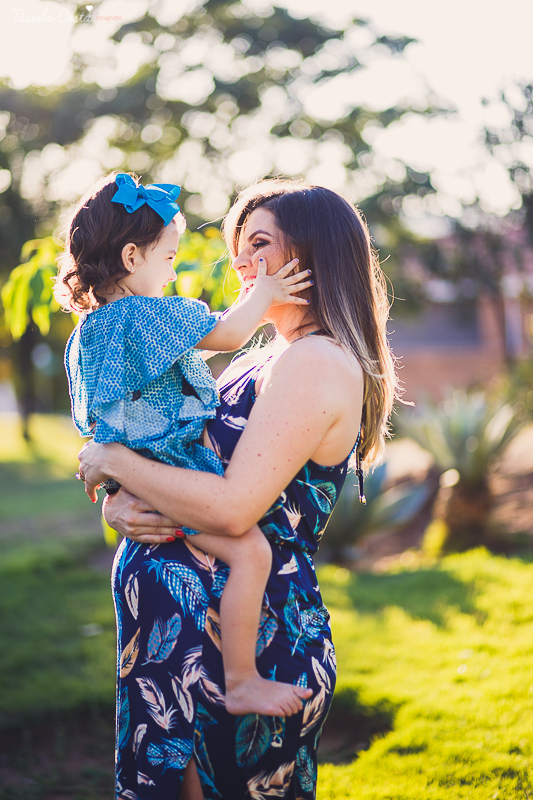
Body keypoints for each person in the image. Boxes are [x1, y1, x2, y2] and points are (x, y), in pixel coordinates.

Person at [78, 179, 398, 800]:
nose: (241, 262)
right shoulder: (264, 355)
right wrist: (122, 499)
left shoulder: (317, 361)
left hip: (246, 642)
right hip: (185, 638)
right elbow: (182, 460)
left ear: (314, 254)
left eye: (260, 243)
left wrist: (108, 456)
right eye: (237, 246)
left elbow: (232, 507)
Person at [55, 172, 314, 723]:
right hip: (170, 469)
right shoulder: (142, 315)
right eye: (168, 258)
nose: (173, 271)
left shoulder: (90, 330)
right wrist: (263, 295)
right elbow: (226, 333)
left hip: (139, 482)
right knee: (251, 551)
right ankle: (242, 681)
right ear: (131, 257)